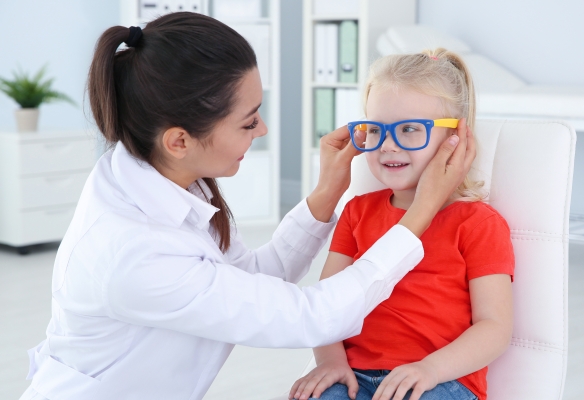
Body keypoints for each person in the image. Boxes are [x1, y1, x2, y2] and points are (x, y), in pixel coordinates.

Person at [19, 15, 476, 400]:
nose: (262, 129)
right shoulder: (133, 255)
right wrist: (420, 215)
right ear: (179, 141)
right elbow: (310, 316)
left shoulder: (167, 179)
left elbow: (254, 278)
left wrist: (324, 195)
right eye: (247, 120)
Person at [288, 49, 515, 400]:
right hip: (354, 377)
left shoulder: (478, 223)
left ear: (456, 136)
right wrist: (330, 362)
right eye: (376, 129)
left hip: (439, 382)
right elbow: (327, 305)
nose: (389, 145)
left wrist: (430, 369)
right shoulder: (357, 212)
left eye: (410, 129)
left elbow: (495, 328)